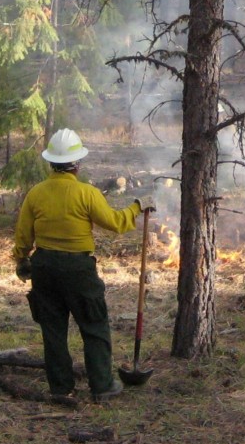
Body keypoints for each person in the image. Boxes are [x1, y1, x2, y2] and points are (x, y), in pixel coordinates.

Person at [13, 127, 146, 404]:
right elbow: (116, 223)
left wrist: (22, 259)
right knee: (94, 325)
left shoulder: (36, 193)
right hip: (78, 269)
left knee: (52, 330)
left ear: (51, 162)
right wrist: (137, 207)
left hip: (44, 268)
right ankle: (102, 386)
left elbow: (24, 235)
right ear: (77, 164)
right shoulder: (87, 193)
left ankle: (61, 388)